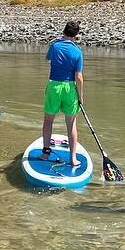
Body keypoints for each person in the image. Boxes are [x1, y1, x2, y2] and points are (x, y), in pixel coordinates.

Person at [41, 21, 84, 167]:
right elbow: (79, 77)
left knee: (48, 120)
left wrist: (56, 42)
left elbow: (47, 58)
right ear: (76, 35)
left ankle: (46, 153)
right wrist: (80, 97)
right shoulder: (78, 52)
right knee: (71, 124)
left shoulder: (55, 46)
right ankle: (72, 158)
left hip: (54, 85)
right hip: (70, 88)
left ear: (64, 31)